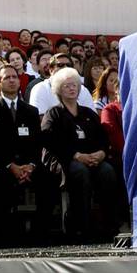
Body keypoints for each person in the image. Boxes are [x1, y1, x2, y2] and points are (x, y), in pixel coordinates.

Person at [0, 64, 62, 245]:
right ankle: (7, 234)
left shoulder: (31, 111)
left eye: (14, 77)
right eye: (6, 77)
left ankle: (40, 232)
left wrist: (31, 165)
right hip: (0, 163)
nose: (11, 80)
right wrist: (11, 166)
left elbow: (36, 142)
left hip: (28, 163)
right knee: (3, 179)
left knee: (48, 177)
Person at [40, 67, 119, 241]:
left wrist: (101, 153)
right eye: (67, 85)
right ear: (59, 89)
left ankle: (109, 226)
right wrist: (76, 155)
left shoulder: (89, 113)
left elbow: (103, 139)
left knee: (108, 172)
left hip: (92, 158)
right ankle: (80, 227)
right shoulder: (53, 114)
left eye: (75, 84)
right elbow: (50, 141)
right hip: (65, 160)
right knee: (79, 172)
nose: (72, 88)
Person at [28, 53, 94, 114]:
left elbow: (92, 116)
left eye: (68, 65)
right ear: (51, 70)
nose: (65, 68)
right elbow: (39, 118)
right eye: (60, 65)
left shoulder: (82, 90)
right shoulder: (40, 88)